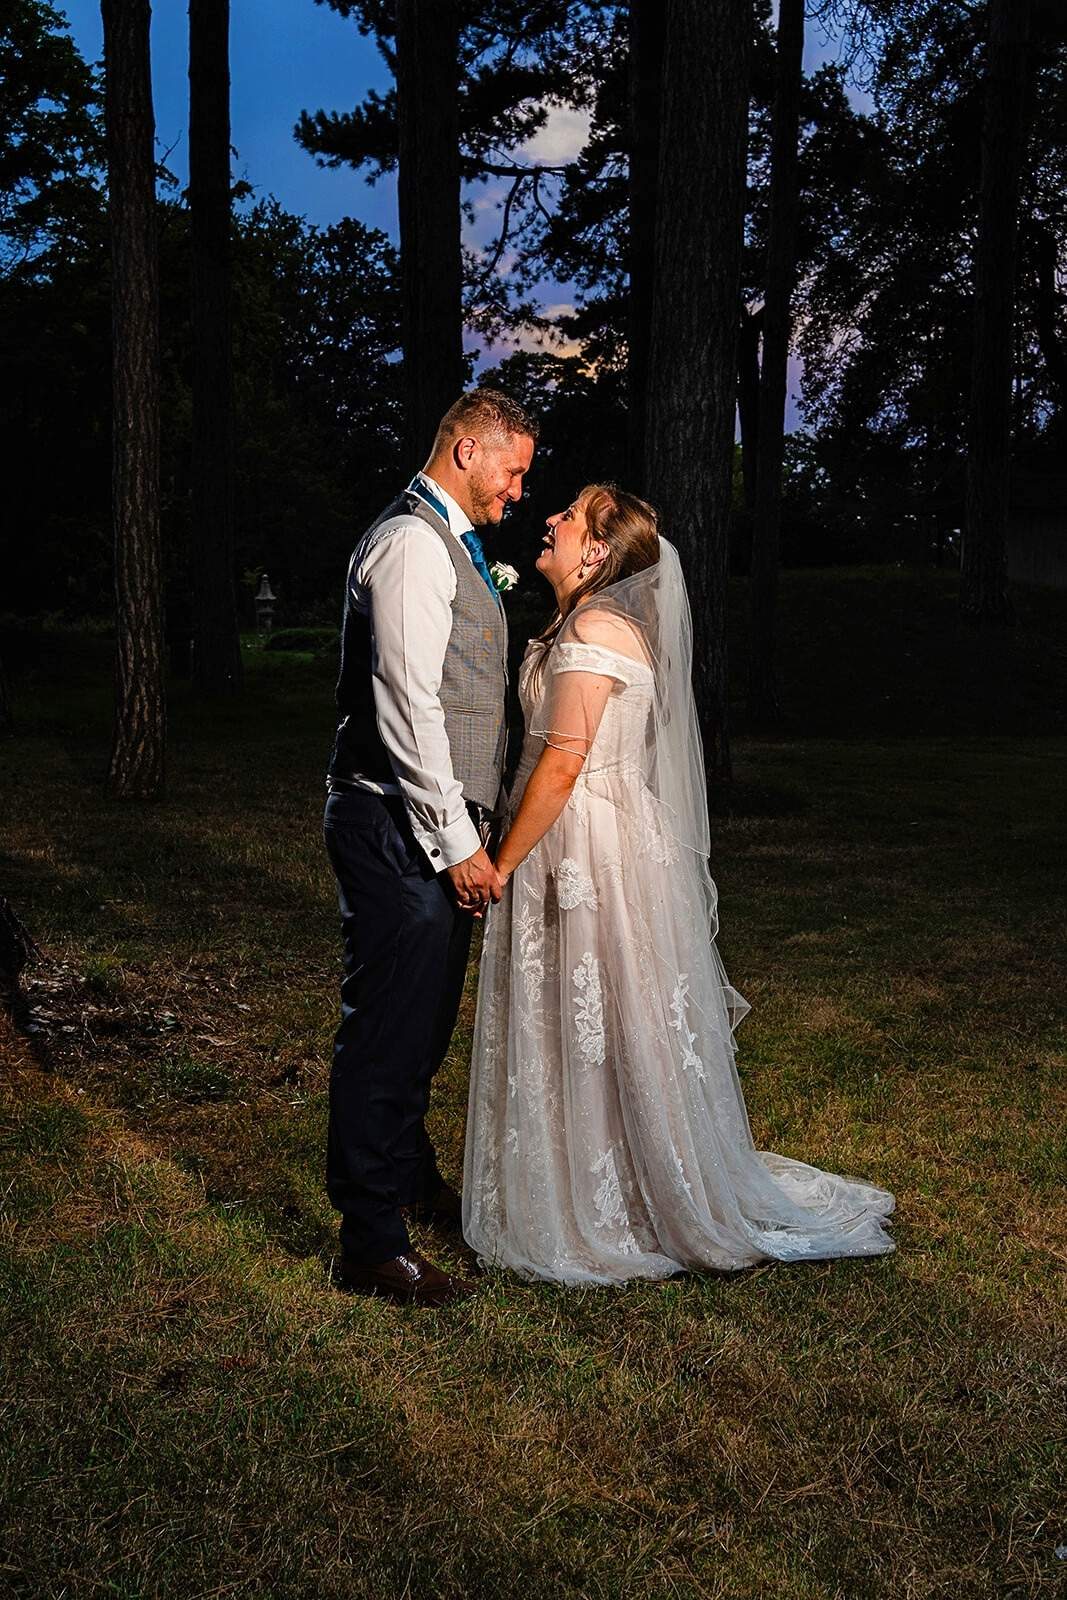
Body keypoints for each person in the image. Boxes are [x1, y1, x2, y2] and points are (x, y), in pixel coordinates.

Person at [463, 485, 895, 1284]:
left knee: (606, 1009)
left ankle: (624, 1195)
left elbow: (561, 765)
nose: (550, 519)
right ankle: (601, 1172)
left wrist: (502, 862)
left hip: (587, 844)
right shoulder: (579, 622)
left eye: (569, 515)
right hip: (595, 835)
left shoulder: (594, 628)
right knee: (594, 1013)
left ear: (596, 553)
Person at [323, 389, 537, 1305]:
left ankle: (407, 1181)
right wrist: (457, 845)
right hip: (392, 822)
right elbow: (406, 709)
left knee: (421, 1028)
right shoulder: (411, 543)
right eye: (513, 469)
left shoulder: (450, 542)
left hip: (430, 827)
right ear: (465, 451)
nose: (520, 490)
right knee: (387, 1031)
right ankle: (370, 1241)